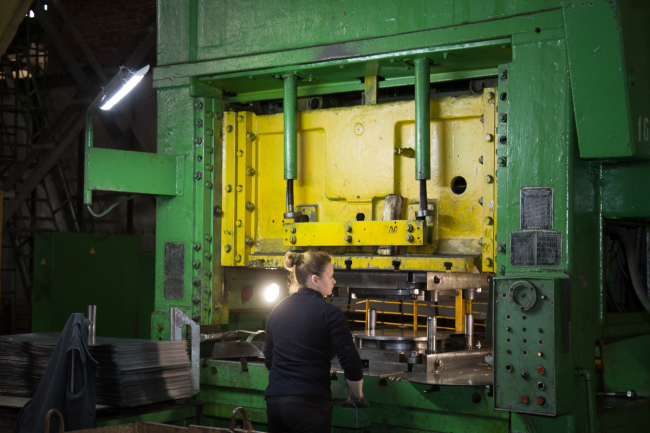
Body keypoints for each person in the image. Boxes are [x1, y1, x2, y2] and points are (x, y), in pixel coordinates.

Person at [264, 250, 369, 433]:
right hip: (309, 407)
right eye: (331, 276)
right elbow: (350, 362)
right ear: (315, 279)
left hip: (275, 404)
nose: (334, 281)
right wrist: (356, 396)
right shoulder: (330, 313)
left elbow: (269, 360)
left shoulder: (277, 310)